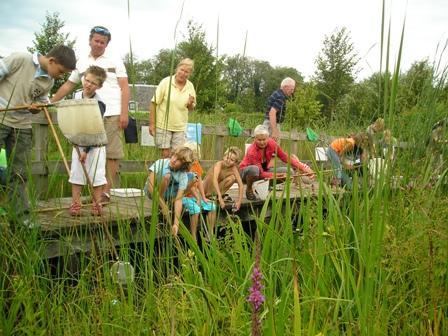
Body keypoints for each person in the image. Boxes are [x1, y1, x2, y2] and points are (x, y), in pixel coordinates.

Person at [52, 26, 130, 203]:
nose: (99, 44)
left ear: (107, 44)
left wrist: (124, 112)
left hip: (111, 111)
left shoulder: (116, 60)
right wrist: (51, 101)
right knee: (84, 151)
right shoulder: (81, 61)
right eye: (96, 40)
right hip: (86, 113)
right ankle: (86, 195)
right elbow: (69, 85)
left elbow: (124, 86)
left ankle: (105, 192)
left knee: (111, 152)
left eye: (103, 42)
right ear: (90, 40)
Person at [0, 45, 76, 224]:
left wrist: (37, 108)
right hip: (1, 118)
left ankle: (20, 219)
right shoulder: (20, 58)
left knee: (19, 173)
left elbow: (41, 102)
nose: (60, 76)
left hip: (23, 126)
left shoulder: (48, 81)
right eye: (60, 71)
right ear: (51, 61)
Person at [68, 66, 107, 216]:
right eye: (87, 80)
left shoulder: (99, 103)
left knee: (96, 175)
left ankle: (96, 204)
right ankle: (76, 204)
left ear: (99, 86)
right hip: (78, 141)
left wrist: (86, 150)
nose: (88, 84)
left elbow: (95, 128)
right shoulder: (75, 96)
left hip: (95, 145)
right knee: (77, 174)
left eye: (93, 83)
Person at [239, 125, 315, 201]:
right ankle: (249, 189)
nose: (262, 142)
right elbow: (260, 173)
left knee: (289, 172)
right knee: (254, 170)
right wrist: (277, 175)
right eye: (259, 140)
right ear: (255, 139)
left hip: (264, 171)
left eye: (264, 139)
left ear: (268, 138)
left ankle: (264, 187)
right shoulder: (251, 151)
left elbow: (284, 157)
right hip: (246, 174)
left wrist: (304, 168)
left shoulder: (272, 144)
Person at [149, 58, 196, 158]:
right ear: (177, 69)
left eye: (186, 72)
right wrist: (152, 125)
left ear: (189, 74)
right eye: (181, 70)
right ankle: (163, 174)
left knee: (177, 155)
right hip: (163, 125)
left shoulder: (190, 86)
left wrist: (190, 104)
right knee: (165, 155)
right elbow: (154, 103)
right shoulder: (166, 82)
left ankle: (173, 174)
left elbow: (191, 108)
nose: (183, 73)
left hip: (180, 127)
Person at [145, 146, 194, 236]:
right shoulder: (161, 162)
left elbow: (179, 199)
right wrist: (162, 204)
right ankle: (161, 202)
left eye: (179, 160)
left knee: (193, 177)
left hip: (168, 193)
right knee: (167, 176)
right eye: (175, 156)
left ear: (183, 165)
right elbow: (150, 187)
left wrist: (176, 223)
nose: (174, 160)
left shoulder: (183, 175)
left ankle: (167, 202)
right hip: (153, 191)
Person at [181, 141, 217, 240]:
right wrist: (198, 198)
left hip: (195, 196)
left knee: (212, 206)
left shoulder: (196, 164)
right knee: (196, 209)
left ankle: (210, 234)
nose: (194, 159)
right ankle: (193, 235)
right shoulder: (185, 167)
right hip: (184, 196)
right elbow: (190, 186)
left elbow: (199, 181)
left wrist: (203, 197)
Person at [203, 146, 244, 211]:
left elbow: (241, 185)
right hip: (206, 188)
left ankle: (214, 195)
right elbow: (214, 180)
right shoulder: (219, 164)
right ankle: (212, 196)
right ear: (224, 157)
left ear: (235, 162)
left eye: (232, 160)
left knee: (232, 178)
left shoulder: (233, 168)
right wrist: (220, 197)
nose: (228, 161)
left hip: (215, 191)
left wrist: (239, 202)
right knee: (212, 176)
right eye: (227, 158)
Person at [263, 77, 296, 142]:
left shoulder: (276, 93)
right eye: (291, 89)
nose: (292, 92)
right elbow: (272, 113)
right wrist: (275, 131)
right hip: (272, 124)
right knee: (273, 148)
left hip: (268, 123)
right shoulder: (281, 97)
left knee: (267, 149)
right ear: (285, 87)